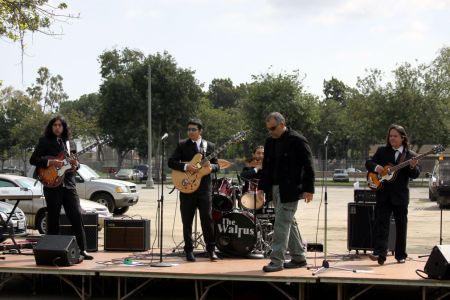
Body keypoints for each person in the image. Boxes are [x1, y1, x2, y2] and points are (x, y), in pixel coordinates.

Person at [30, 115, 93, 260]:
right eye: (55, 125)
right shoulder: (45, 141)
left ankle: (82, 249)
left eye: (60, 125)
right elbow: (33, 160)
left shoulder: (69, 144)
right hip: (52, 184)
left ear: (64, 128)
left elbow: (74, 165)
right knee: (53, 218)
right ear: (51, 127)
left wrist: (76, 165)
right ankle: (52, 250)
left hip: (69, 185)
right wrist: (52, 162)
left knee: (76, 216)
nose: (57, 127)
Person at [257, 112, 315, 272]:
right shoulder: (270, 142)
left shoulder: (296, 139)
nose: (270, 132)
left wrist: (309, 189)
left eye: (273, 128)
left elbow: (308, 165)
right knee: (289, 221)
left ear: (283, 124)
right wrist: (262, 187)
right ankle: (299, 257)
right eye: (268, 129)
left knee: (281, 223)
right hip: (275, 189)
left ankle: (276, 261)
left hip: (290, 189)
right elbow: (267, 167)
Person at [366, 124, 420, 265]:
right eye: (390, 136)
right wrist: (377, 167)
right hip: (383, 194)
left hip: (400, 196)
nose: (392, 138)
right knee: (381, 224)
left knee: (401, 226)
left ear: (403, 138)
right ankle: (379, 254)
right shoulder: (382, 151)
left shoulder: (410, 156)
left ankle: (400, 254)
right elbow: (368, 163)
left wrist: (413, 166)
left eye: (395, 136)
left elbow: (415, 175)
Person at [168, 118, 219, 262]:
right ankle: (189, 250)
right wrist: (186, 167)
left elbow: (217, 166)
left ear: (200, 131)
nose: (190, 132)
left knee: (207, 220)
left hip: (204, 188)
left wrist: (210, 167)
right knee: (187, 220)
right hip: (186, 187)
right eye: (189, 130)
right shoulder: (182, 145)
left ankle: (211, 250)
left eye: (193, 130)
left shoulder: (209, 145)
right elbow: (171, 162)